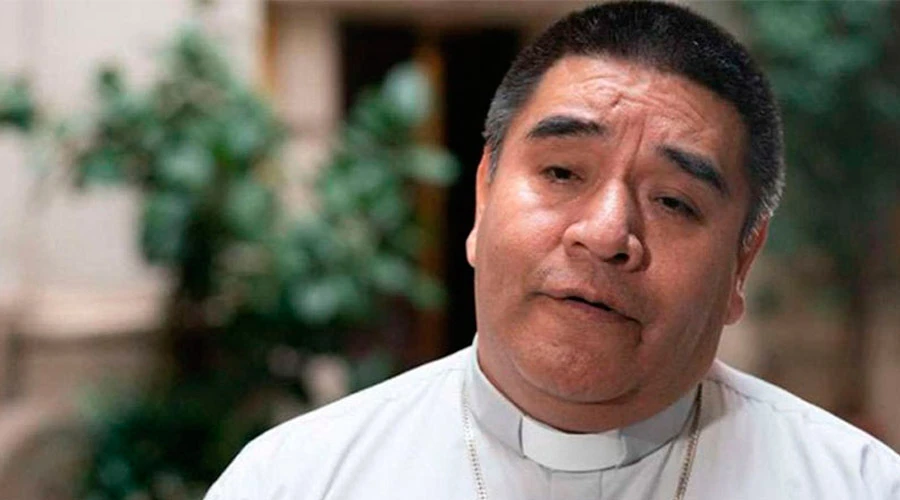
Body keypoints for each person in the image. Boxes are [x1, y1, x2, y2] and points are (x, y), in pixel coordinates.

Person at [205, 2, 900, 499]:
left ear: (742, 262)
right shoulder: (295, 480)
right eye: (563, 172)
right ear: (483, 197)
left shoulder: (856, 485)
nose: (606, 233)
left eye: (675, 202)